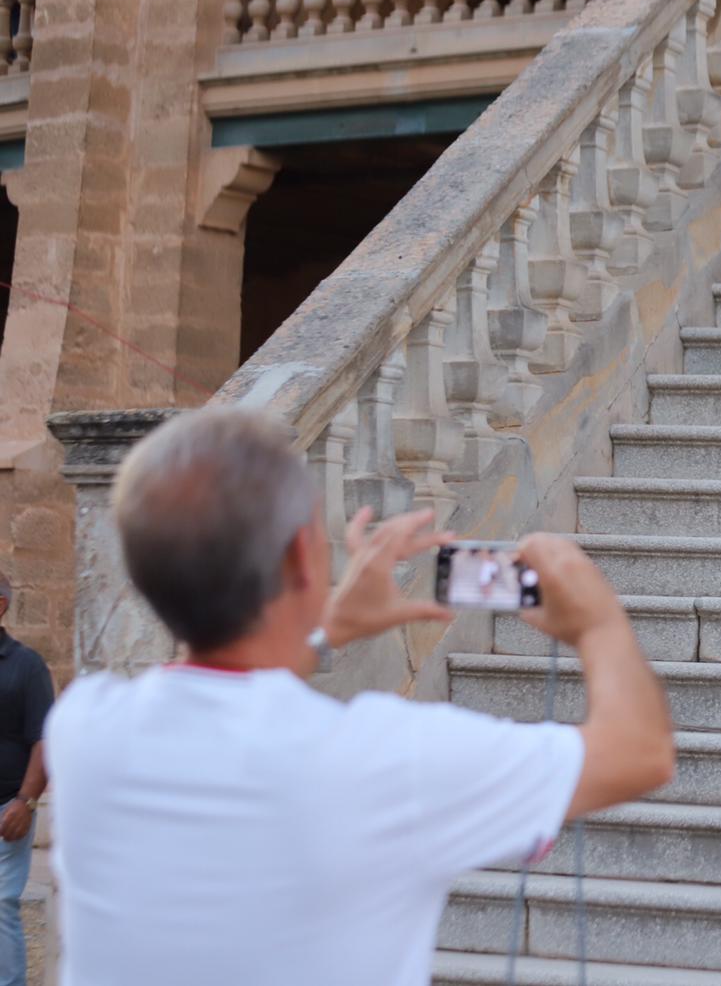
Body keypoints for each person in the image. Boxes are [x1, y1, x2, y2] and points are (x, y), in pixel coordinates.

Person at [44, 408, 674, 986]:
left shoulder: (82, 728)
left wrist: (326, 632)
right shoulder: (388, 762)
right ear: (300, 557)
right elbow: (640, 752)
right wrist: (598, 621)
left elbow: (226, 701)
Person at [0, 570, 53, 986]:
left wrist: (26, 801)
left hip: (8, 809)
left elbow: (43, 741)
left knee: (1, 905)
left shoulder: (27, 666)